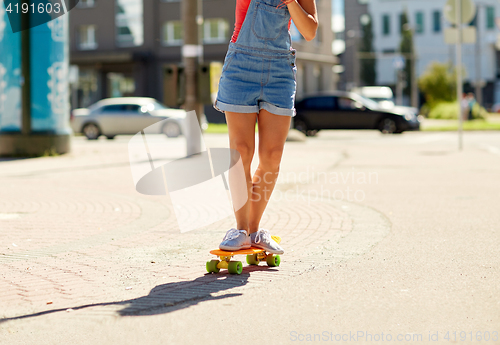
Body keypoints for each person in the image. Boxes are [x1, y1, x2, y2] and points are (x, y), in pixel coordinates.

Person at [213, 0, 318, 254]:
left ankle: (253, 230)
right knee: (241, 152)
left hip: (279, 72)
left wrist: (291, 2)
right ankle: (240, 230)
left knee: (271, 157)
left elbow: (310, 31)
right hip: (240, 68)